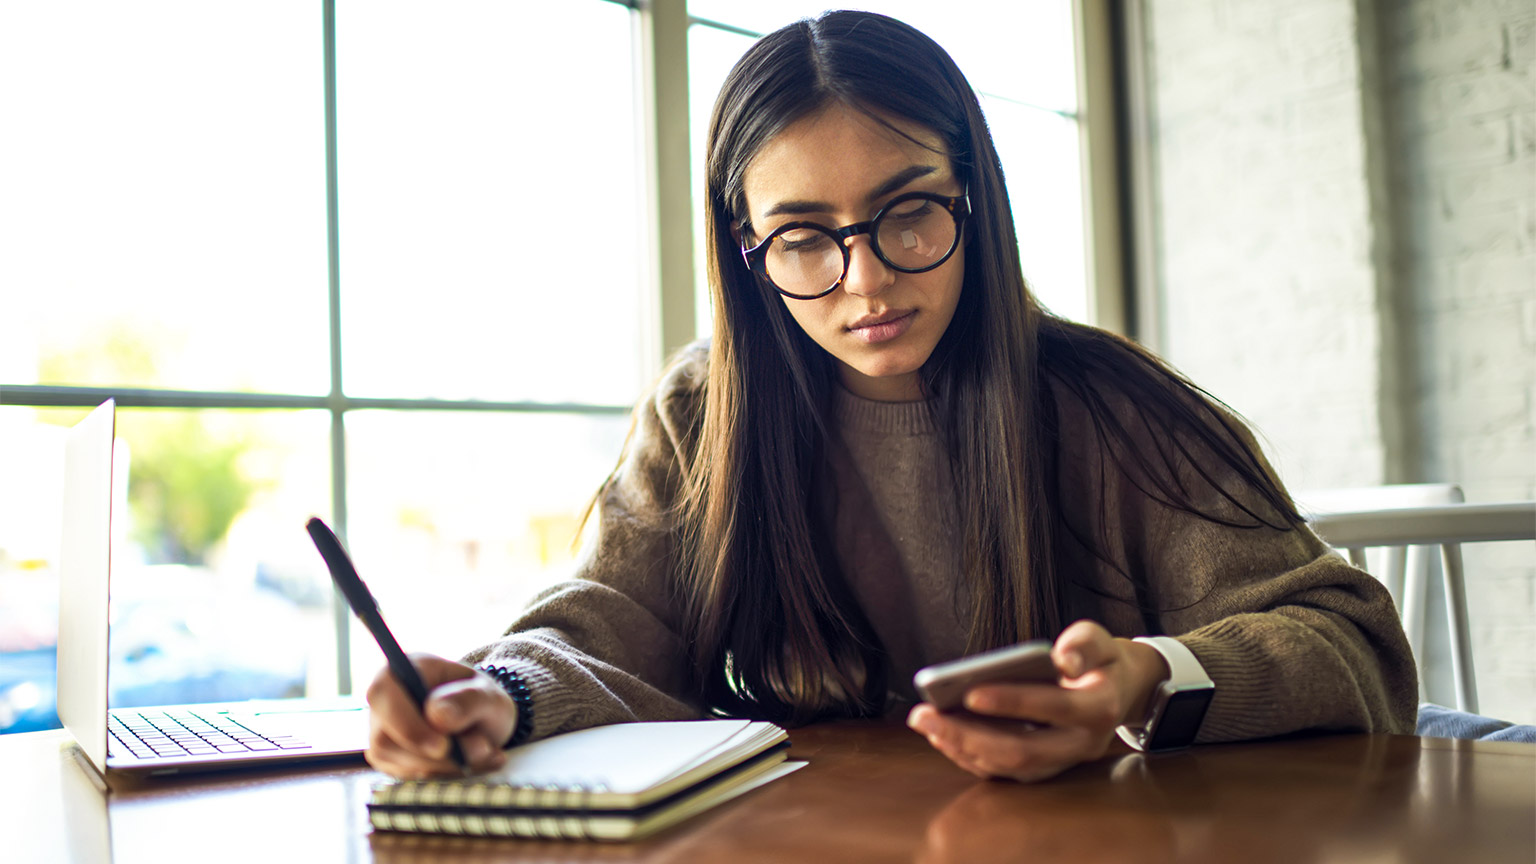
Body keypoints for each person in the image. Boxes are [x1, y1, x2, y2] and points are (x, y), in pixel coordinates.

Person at [365, 10, 1418, 783]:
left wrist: (1144, 678)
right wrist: (492, 694)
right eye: (805, 237)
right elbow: (612, 627)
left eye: (910, 213)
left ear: (976, 198)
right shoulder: (704, 413)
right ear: (748, 253)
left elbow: (1351, 642)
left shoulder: (1112, 411)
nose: (866, 279)